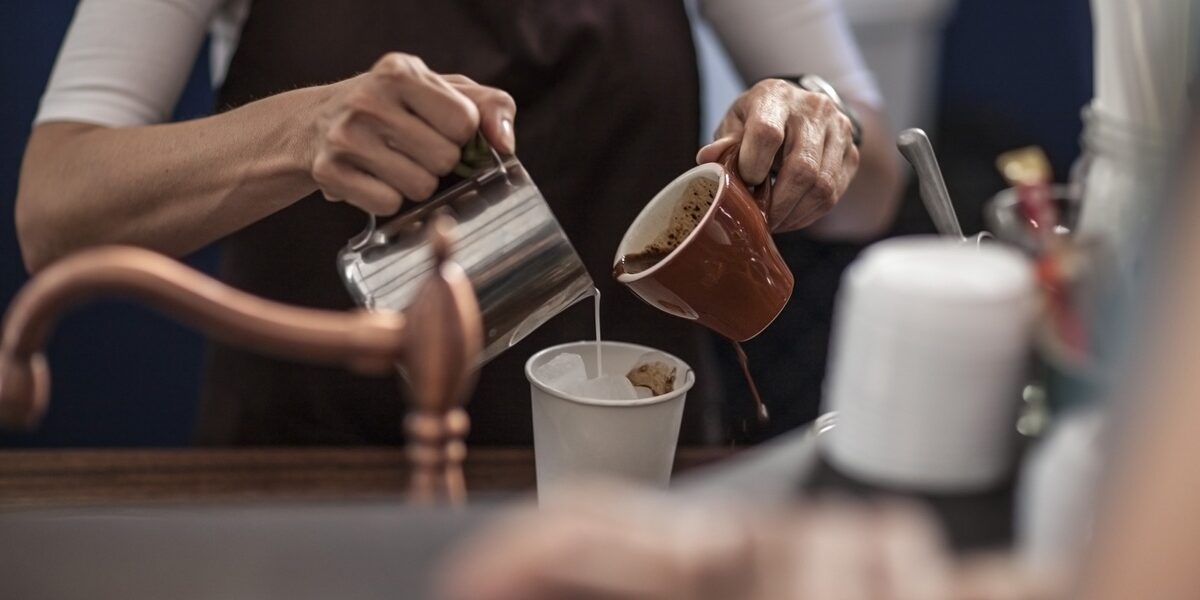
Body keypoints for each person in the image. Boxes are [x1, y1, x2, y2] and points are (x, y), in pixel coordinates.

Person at [16, 0, 900, 445]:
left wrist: (821, 121)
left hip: (632, 482)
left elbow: (878, 185)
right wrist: (300, 133)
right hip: (313, 475)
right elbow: (54, 213)